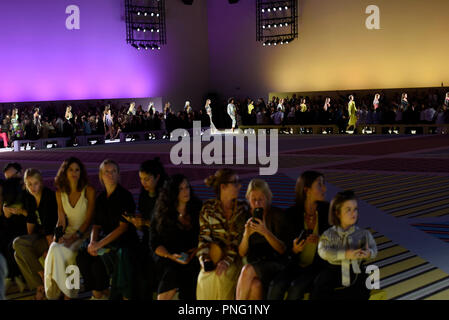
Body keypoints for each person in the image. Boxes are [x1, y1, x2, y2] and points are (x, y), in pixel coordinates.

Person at [76, 160, 138, 300]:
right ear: (101, 176)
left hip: (122, 240)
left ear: (118, 174)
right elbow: (96, 225)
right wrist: (93, 242)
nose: (110, 175)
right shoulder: (101, 198)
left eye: (113, 171)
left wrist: (99, 244)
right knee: (82, 255)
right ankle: (98, 292)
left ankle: (99, 293)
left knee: (99, 260)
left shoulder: (124, 196)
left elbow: (122, 228)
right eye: (106, 172)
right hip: (105, 240)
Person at [267, 171, 330, 300]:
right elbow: (284, 250)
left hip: (317, 267)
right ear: (307, 190)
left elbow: (338, 239)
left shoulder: (328, 211)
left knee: (296, 288)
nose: (324, 188)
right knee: (276, 285)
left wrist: (321, 241)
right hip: (294, 265)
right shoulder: (290, 214)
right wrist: (294, 249)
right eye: (319, 185)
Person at [44, 157, 95, 299]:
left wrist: (74, 238)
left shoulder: (88, 190)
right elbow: (61, 220)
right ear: (65, 172)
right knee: (54, 248)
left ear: (81, 172)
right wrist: (57, 236)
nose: (74, 173)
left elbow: (88, 219)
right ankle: (55, 291)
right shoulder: (59, 193)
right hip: (68, 232)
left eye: (77, 170)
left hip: (84, 234)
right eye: (71, 170)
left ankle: (70, 293)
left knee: (70, 254)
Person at [311, 190, 377, 300]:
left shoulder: (364, 233)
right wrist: (345, 254)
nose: (353, 213)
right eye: (348, 210)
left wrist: (369, 253)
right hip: (333, 272)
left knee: (363, 287)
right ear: (337, 213)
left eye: (355, 209)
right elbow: (323, 251)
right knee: (320, 289)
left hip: (356, 273)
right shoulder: (329, 234)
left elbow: (374, 249)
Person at [196, 169, 250, 300]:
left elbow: (236, 240)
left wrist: (226, 261)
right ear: (223, 187)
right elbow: (204, 237)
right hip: (214, 254)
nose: (240, 186)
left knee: (224, 276)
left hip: (234, 256)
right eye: (235, 182)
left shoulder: (243, 208)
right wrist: (204, 259)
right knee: (204, 277)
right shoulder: (208, 208)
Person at [150, 174, 202, 300]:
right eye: (181, 189)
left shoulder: (197, 207)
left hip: (193, 255)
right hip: (169, 256)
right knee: (171, 271)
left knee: (190, 271)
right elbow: (154, 243)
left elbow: (205, 234)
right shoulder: (162, 212)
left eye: (187, 187)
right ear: (173, 192)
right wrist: (170, 256)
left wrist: (197, 249)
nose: (186, 191)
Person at [122, 158, 168, 299]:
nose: (143, 183)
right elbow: (145, 223)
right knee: (130, 257)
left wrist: (145, 223)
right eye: (141, 179)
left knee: (147, 264)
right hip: (148, 239)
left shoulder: (165, 196)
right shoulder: (144, 195)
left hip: (164, 241)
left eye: (147, 179)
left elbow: (166, 226)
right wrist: (137, 223)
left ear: (157, 177)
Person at [236, 179, 286, 300]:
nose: (257, 203)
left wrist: (265, 232)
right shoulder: (244, 217)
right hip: (255, 263)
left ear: (268, 197)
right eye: (253, 199)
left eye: (261, 199)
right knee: (255, 285)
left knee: (247, 270)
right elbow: (242, 252)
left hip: (275, 263)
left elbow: (282, 250)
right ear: (248, 198)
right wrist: (246, 235)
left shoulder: (277, 215)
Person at [13, 169, 58, 300]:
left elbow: (52, 224)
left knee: (18, 246)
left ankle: (41, 281)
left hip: (53, 237)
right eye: (30, 184)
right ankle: (41, 283)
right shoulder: (30, 198)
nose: (33, 187)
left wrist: (48, 248)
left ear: (41, 182)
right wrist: (29, 244)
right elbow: (31, 224)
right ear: (26, 185)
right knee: (19, 251)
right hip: (40, 237)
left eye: (36, 183)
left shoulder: (49, 196)